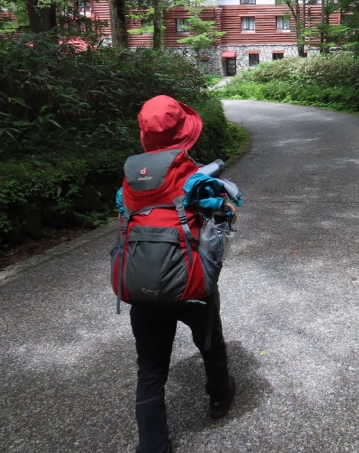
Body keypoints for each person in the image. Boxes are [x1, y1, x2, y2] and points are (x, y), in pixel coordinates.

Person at [128, 95, 236, 453]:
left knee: (151, 371)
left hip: (143, 286)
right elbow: (225, 210)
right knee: (210, 344)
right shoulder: (195, 178)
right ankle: (219, 397)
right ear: (185, 136)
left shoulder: (130, 181)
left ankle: (153, 444)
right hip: (192, 284)